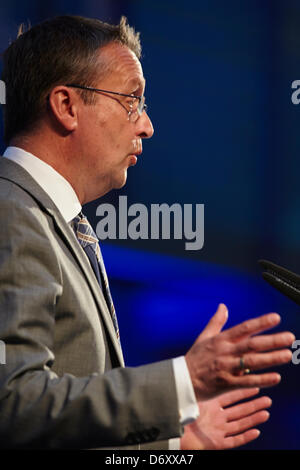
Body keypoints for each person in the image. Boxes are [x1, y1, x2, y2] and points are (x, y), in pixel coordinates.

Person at [0, 15, 294, 450]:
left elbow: (55, 427)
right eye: (131, 100)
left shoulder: (57, 225)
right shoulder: (12, 213)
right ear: (66, 106)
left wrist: (173, 447)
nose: (146, 125)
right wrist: (183, 380)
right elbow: (12, 405)